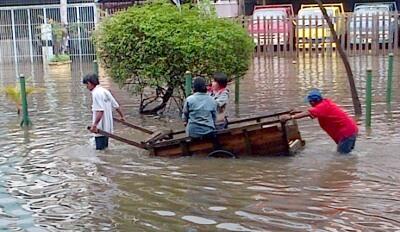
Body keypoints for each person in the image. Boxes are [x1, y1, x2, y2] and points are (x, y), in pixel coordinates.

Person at [280, 89, 358, 154]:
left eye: (310, 102)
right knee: (347, 154)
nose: (309, 103)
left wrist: (291, 117)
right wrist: (298, 112)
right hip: (351, 130)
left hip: (346, 133)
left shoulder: (321, 108)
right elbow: (313, 111)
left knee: (342, 157)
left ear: (312, 102)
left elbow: (309, 112)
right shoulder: (325, 103)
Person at [83, 73, 125, 150]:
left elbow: (100, 111)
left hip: (100, 127)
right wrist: (122, 116)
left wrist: (94, 125)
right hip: (107, 127)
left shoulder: (96, 93)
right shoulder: (104, 91)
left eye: (86, 84)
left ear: (89, 83)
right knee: (105, 149)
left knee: (100, 151)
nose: (86, 87)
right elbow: (116, 105)